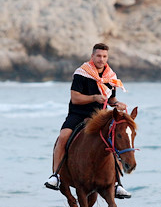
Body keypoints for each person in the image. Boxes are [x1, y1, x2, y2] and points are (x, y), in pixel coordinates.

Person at [45, 43, 131, 198]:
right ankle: (55, 176)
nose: (101, 59)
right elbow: (75, 98)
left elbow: (111, 99)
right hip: (78, 114)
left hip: (100, 117)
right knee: (63, 136)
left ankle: (117, 183)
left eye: (104, 56)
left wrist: (117, 104)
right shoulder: (81, 73)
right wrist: (93, 97)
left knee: (116, 139)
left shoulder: (110, 77)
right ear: (92, 56)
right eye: (98, 56)